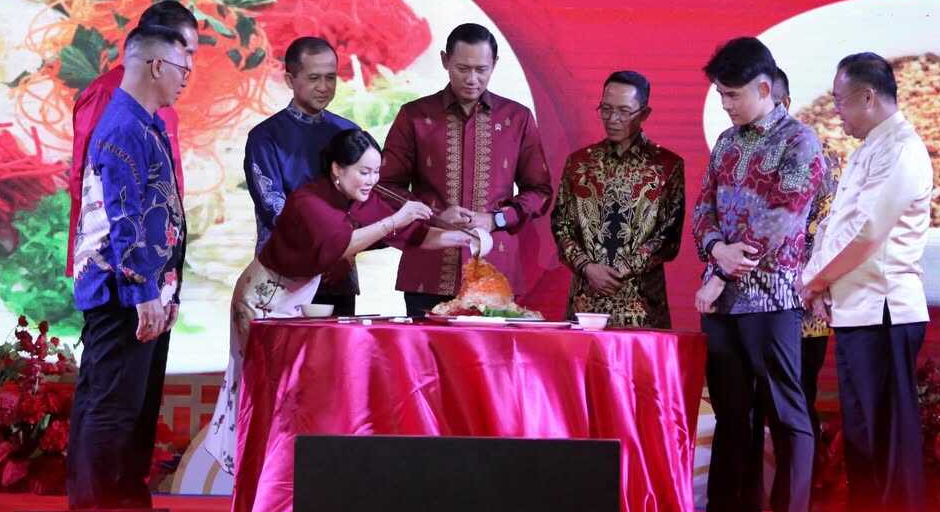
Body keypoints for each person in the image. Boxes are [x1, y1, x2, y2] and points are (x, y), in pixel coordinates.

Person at [205, 129, 480, 473]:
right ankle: (256, 471)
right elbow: (342, 245)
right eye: (364, 172)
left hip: (296, 300)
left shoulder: (360, 198)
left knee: (294, 395)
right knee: (262, 390)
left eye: (376, 171)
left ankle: (289, 472)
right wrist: (397, 217)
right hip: (261, 301)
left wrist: (465, 238)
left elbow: (414, 234)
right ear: (337, 169)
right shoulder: (308, 201)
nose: (372, 180)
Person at [692, 38, 825, 512]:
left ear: (764, 88)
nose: (725, 104)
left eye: (731, 95)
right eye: (720, 94)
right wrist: (714, 249)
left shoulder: (800, 141)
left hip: (771, 302)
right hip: (724, 304)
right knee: (729, 412)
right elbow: (705, 205)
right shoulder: (728, 142)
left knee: (785, 413)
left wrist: (723, 270)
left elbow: (781, 220)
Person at [800, 53, 933, 512]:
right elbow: (840, 226)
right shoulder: (870, 146)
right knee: (863, 436)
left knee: (887, 438)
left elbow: (866, 231)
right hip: (858, 311)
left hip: (885, 310)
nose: (836, 110)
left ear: (868, 97)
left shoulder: (902, 148)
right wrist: (819, 280)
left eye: (840, 101)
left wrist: (813, 280)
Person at [67, 24, 189, 509]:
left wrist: (167, 292)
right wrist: (143, 295)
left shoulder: (144, 122)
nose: (185, 80)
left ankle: (119, 511)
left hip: (138, 293)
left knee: (124, 408)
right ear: (156, 65)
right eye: (182, 69)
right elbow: (125, 219)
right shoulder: (122, 126)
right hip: (121, 296)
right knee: (112, 409)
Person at [380, 23, 553, 317]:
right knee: (423, 361)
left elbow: (539, 191)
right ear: (446, 60)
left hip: (495, 272)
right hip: (429, 268)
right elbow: (384, 188)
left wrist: (496, 218)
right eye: (462, 68)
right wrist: (433, 216)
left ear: (494, 65)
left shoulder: (517, 118)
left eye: (481, 69)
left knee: (489, 363)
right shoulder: (415, 116)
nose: (472, 79)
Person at [744, 69, 838, 512]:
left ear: (781, 99)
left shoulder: (818, 153)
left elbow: (828, 236)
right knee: (751, 411)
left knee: (791, 412)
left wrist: (814, 287)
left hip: (804, 310)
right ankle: (750, 510)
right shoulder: (740, 151)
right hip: (751, 307)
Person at [66, 0, 198, 277]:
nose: (189, 65)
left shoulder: (165, 104)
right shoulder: (107, 94)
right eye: (185, 52)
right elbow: (88, 181)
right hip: (115, 268)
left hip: (156, 262)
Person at [551, 70, 684, 328]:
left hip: (642, 306)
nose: (612, 119)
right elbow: (560, 225)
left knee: (640, 369)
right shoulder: (580, 163)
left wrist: (620, 271)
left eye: (624, 111)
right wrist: (588, 267)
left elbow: (668, 236)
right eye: (606, 109)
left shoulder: (666, 165)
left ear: (644, 114)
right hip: (585, 303)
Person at [243, 36, 358, 315]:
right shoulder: (265, 137)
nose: (324, 87)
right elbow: (274, 208)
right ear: (289, 79)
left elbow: (364, 199)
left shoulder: (350, 133)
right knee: (286, 358)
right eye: (314, 78)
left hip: (337, 275)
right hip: (282, 276)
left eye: (331, 78)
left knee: (339, 357)